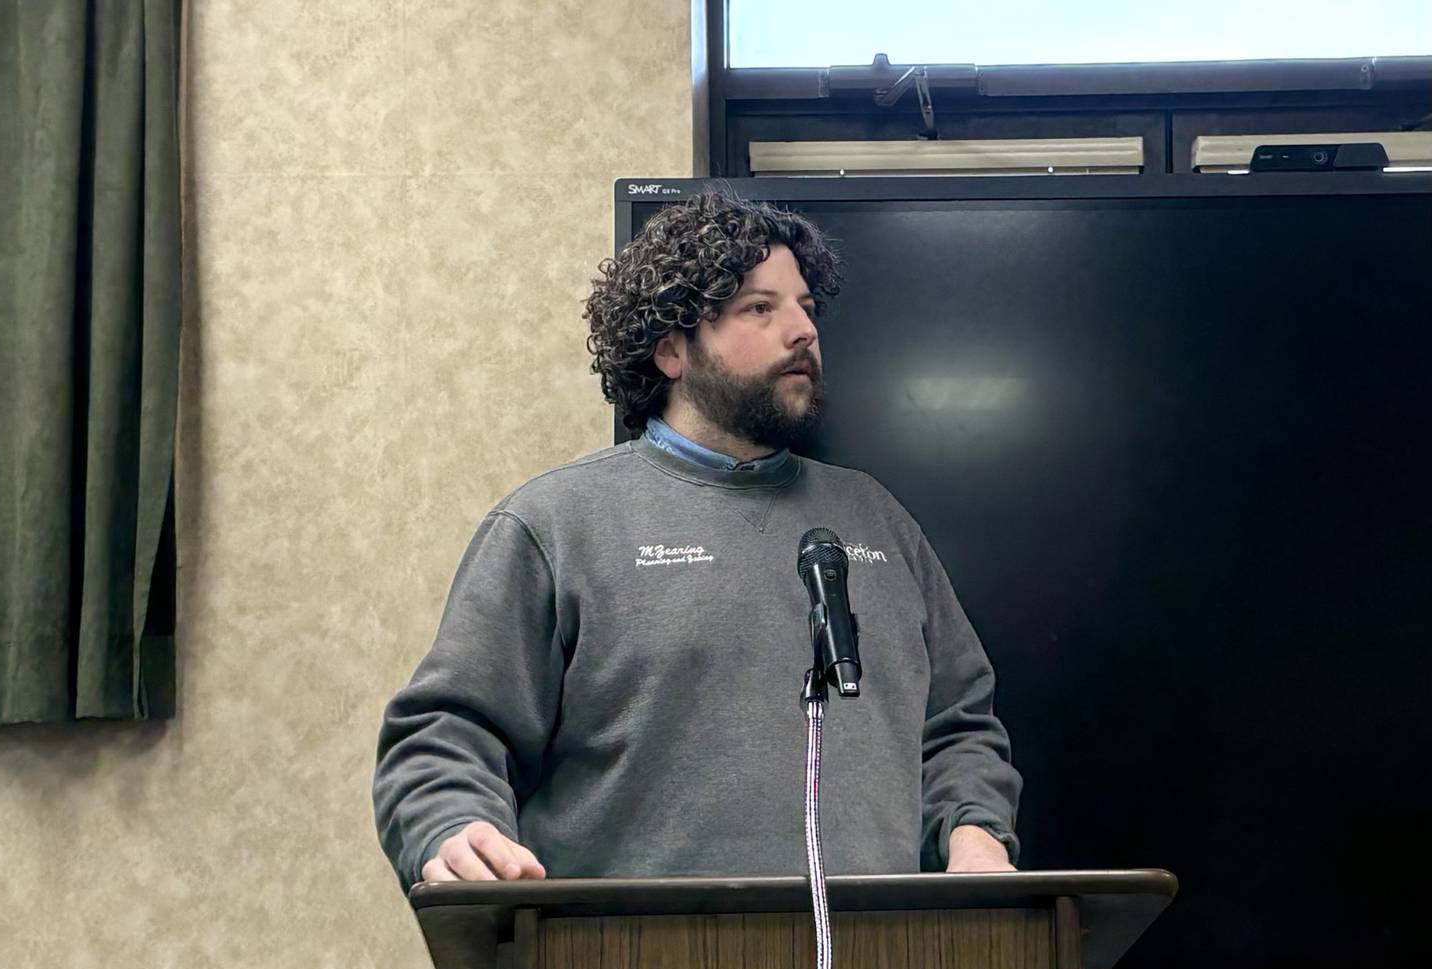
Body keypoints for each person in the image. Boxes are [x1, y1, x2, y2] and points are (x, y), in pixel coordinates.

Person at [372, 189, 1022, 891]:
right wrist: (452, 824)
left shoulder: (877, 519)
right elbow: (445, 734)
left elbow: (959, 726)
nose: (802, 329)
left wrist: (976, 833)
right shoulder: (556, 525)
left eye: (806, 306)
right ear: (673, 349)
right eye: (759, 307)